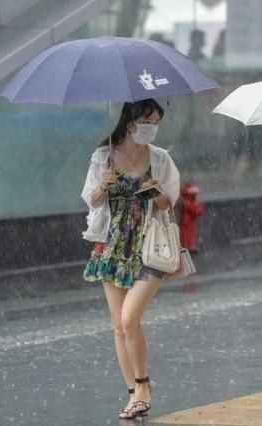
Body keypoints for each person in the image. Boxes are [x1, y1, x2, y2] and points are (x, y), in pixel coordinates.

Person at [81, 99, 180, 419]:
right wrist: (103, 185)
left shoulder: (161, 159)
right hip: (113, 247)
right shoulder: (104, 156)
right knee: (118, 327)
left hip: (148, 246)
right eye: (147, 119)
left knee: (129, 318)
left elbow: (167, 205)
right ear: (130, 121)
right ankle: (133, 393)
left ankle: (143, 384)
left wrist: (156, 190)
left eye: (156, 121)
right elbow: (92, 202)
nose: (152, 126)